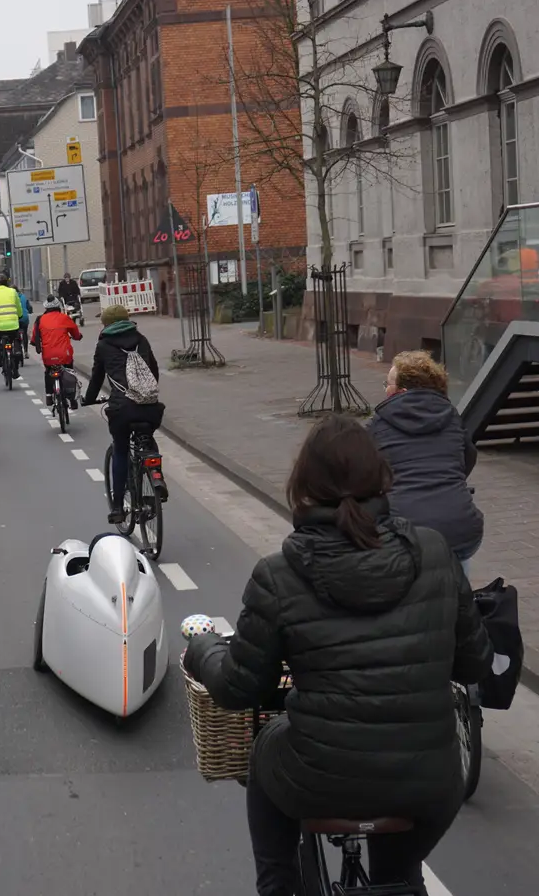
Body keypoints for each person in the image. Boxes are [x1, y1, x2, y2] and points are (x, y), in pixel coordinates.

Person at [183, 415, 493, 896]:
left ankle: (279, 884)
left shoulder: (278, 574)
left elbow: (238, 687)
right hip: (429, 783)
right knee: (397, 868)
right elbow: (475, 664)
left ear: (302, 486)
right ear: (381, 478)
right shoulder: (435, 553)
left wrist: (202, 649)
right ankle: (397, 877)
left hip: (316, 778)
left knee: (266, 749)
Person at [368, 351, 483, 578]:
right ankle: (461, 603)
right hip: (461, 527)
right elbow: (468, 459)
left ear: (400, 391)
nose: (384, 389)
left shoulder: (377, 426)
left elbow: (363, 475)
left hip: (405, 532)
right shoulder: (451, 416)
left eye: (387, 384)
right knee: (457, 576)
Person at [82, 304, 165, 524]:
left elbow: (97, 378)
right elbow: (153, 371)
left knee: (120, 450)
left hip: (122, 409)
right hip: (150, 407)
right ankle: (158, 479)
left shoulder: (104, 345)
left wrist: (88, 399)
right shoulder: (142, 339)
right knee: (147, 439)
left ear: (106, 324)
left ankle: (118, 507)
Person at [32, 296, 82, 409]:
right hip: (65, 355)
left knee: (48, 372)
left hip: (48, 356)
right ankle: (72, 398)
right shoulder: (64, 318)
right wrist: (78, 337)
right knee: (69, 370)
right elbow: (75, 333)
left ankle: (49, 395)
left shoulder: (40, 320)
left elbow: (34, 337)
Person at [0, 274, 28, 377]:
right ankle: (16, 356)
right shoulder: (12, 292)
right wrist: (19, 315)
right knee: (15, 338)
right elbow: (18, 306)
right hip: (12, 324)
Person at [16, 287, 35, 358]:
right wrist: (30, 311)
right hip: (24, 318)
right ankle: (26, 351)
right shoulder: (23, 297)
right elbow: (29, 307)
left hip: (15, 319)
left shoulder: (10, 297)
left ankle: (16, 348)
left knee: (15, 334)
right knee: (24, 333)